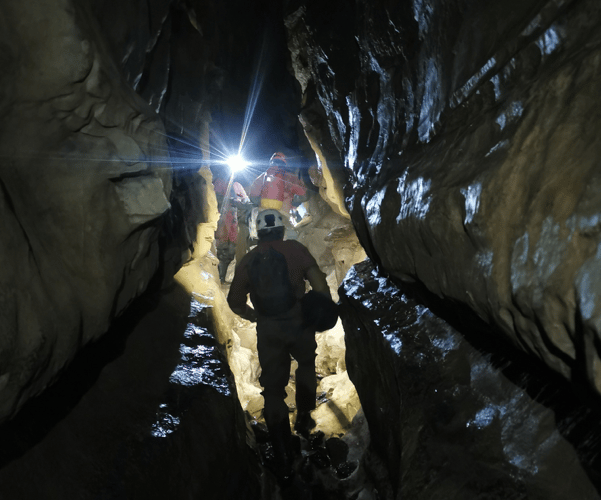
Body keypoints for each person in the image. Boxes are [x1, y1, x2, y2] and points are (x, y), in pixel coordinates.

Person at [226, 209, 332, 484]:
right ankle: (304, 420)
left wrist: (255, 316)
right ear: (282, 229)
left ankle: (281, 448)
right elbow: (319, 283)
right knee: (307, 364)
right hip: (299, 324)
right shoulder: (295, 250)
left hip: (269, 330)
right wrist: (319, 306)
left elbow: (234, 300)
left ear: (258, 233)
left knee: (272, 389)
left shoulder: (249, 259)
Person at [249, 152, 308, 228]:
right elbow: (304, 195)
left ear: (271, 162)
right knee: (286, 236)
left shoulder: (263, 176)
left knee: (264, 237)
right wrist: (293, 200)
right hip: (282, 214)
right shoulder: (290, 177)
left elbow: (253, 197)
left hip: (263, 213)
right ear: (284, 164)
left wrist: (261, 201)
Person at [213, 173, 251, 283]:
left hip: (233, 223)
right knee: (221, 250)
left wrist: (242, 203)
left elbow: (247, 202)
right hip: (222, 221)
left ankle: (223, 278)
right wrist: (231, 200)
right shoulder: (219, 182)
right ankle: (219, 278)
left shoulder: (237, 186)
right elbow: (215, 197)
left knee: (231, 251)